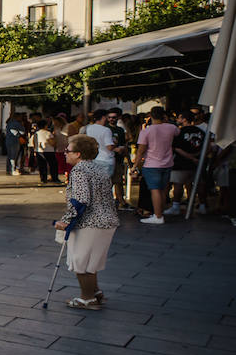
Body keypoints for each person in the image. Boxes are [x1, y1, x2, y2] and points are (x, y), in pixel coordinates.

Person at [54, 134, 120, 310]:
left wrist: (66, 220)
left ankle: (87, 298)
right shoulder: (98, 168)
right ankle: (95, 292)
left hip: (91, 222)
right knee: (91, 261)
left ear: (78, 154)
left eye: (67, 150)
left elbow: (81, 200)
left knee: (80, 261)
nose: (64, 153)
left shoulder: (79, 171)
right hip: (108, 220)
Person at [135, 107, 179, 224]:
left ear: (151, 116)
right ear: (164, 116)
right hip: (168, 163)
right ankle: (160, 213)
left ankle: (158, 216)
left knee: (155, 190)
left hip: (152, 164)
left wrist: (135, 165)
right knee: (163, 190)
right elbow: (177, 132)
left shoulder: (146, 131)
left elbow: (140, 150)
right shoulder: (171, 128)